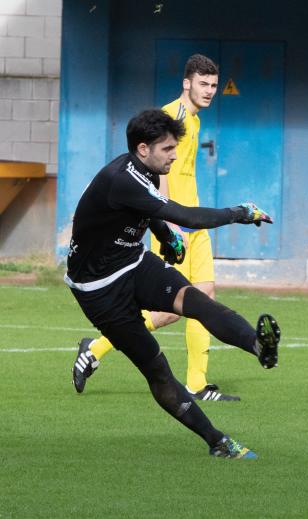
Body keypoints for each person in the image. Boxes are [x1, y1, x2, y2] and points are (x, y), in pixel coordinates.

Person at [65, 109, 280, 458]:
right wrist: (238, 213)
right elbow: (185, 215)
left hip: (133, 263)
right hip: (100, 290)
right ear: (143, 148)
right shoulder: (122, 179)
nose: (175, 155)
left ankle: (259, 347)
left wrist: (166, 239)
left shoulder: (144, 172)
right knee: (158, 372)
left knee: (198, 302)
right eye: (167, 148)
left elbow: (147, 212)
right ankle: (218, 442)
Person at [73, 54, 237, 401]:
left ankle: (197, 384)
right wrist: (168, 227)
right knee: (169, 312)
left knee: (204, 296)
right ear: (186, 83)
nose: (209, 91)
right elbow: (156, 179)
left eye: (213, 85)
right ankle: (97, 348)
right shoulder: (172, 117)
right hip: (178, 225)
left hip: (194, 223)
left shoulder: (194, 121)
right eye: (202, 84)